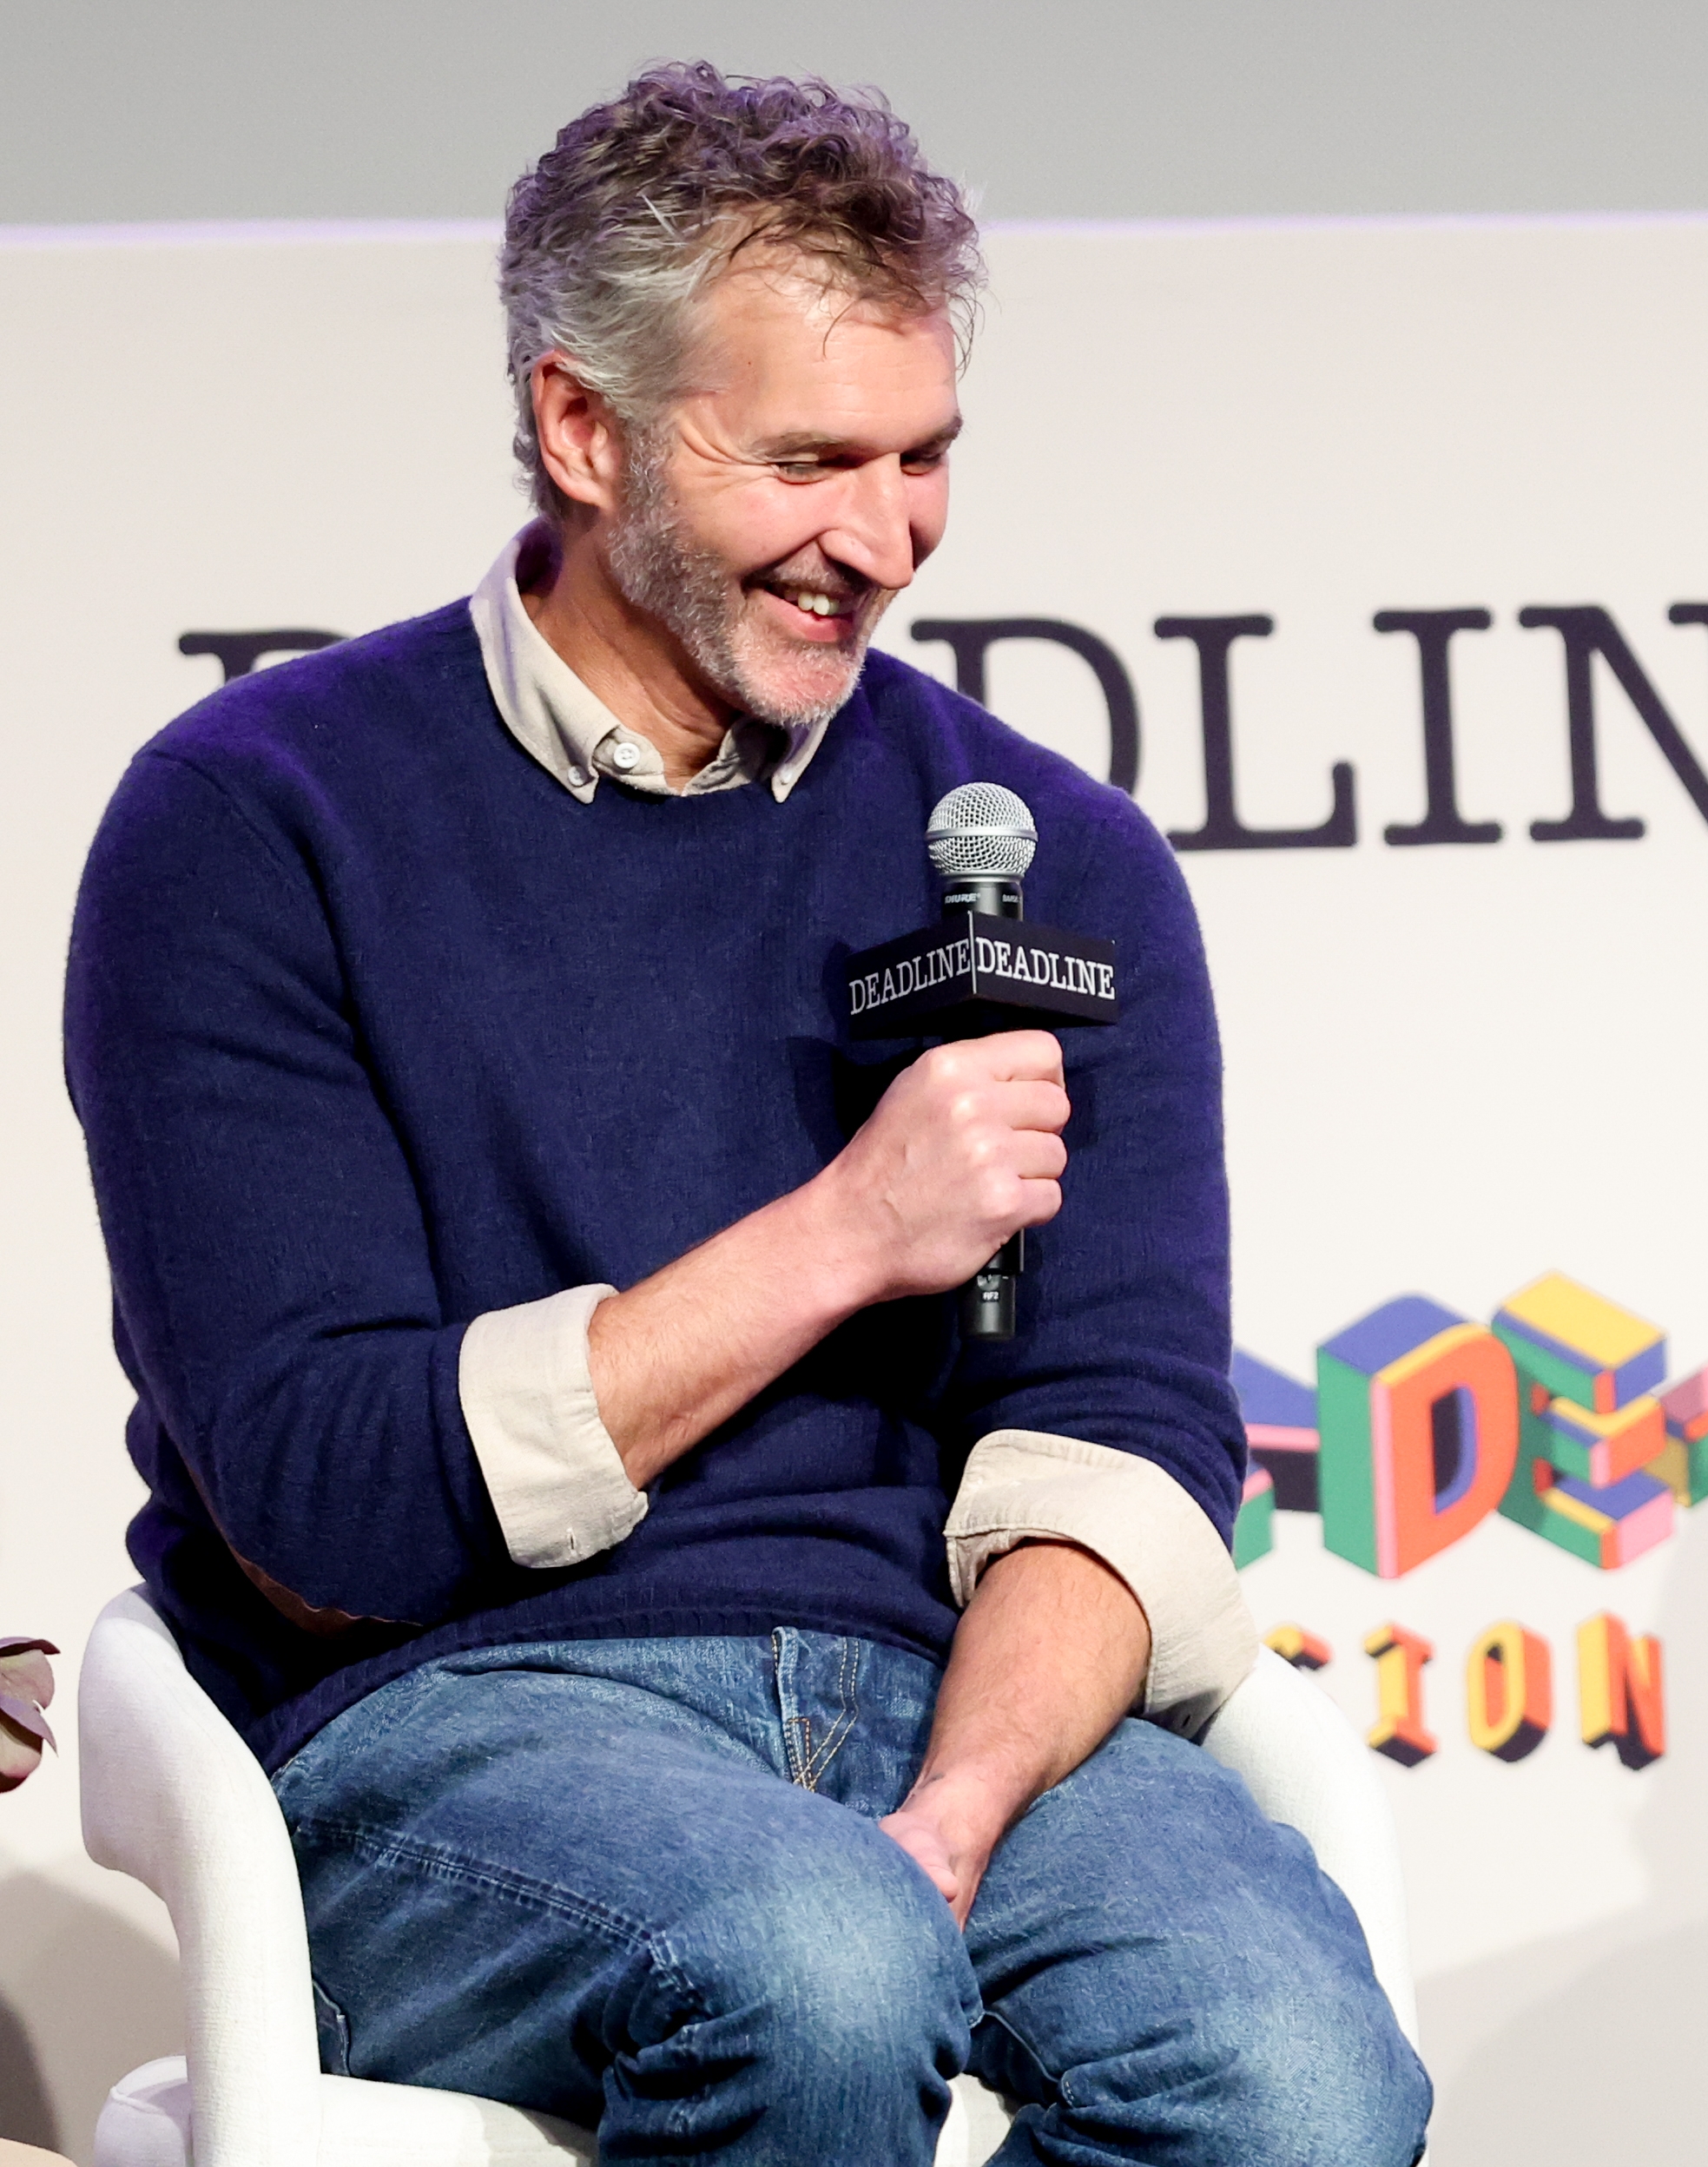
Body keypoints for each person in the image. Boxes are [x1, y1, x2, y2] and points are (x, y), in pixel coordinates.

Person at [65, 64, 1427, 2166]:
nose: (880, 540)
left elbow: (1121, 1444)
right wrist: (843, 1235)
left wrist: (962, 1809)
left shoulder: (1050, 857)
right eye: (806, 460)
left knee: (1299, 2081)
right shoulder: (257, 823)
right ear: (581, 427)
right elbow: (327, 1504)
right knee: (814, 1967)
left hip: (946, 1701)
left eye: (925, 458)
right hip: (453, 1723)